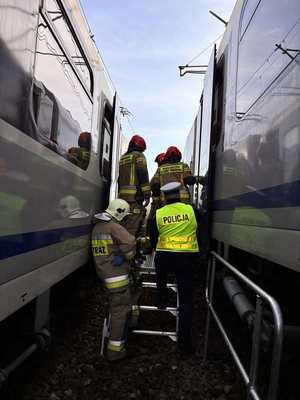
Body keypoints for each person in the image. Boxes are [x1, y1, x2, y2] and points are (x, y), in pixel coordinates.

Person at [149, 182, 199, 354]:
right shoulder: (191, 210)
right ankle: (184, 343)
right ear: (179, 194)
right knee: (186, 301)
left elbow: (153, 237)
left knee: (160, 274)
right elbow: (201, 231)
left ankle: (161, 298)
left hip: (165, 258)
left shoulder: (158, 213)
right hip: (186, 258)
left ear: (164, 196)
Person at [91, 198, 136, 361]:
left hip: (104, 275)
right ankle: (115, 351)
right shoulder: (114, 226)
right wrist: (127, 257)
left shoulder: (98, 227)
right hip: (117, 277)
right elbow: (130, 242)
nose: (125, 219)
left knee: (115, 308)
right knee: (119, 312)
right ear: (120, 213)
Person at [118, 134, 150, 237]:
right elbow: (143, 174)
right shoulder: (139, 156)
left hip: (122, 199)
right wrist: (147, 194)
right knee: (133, 227)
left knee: (124, 224)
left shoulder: (123, 158)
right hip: (135, 198)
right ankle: (131, 251)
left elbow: (120, 179)